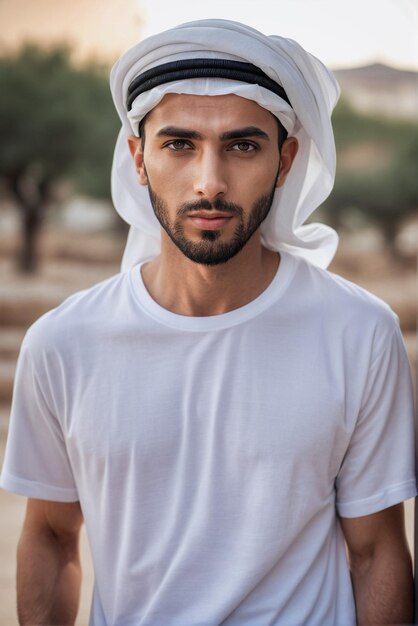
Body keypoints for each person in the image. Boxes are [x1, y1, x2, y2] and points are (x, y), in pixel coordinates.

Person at [0, 18, 416, 626]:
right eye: (179, 144)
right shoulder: (63, 343)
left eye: (243, 146)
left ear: (285, 159)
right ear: (139, 158)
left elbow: (377, 552)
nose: (210, 183)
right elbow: (52, 537)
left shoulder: (359, 333)